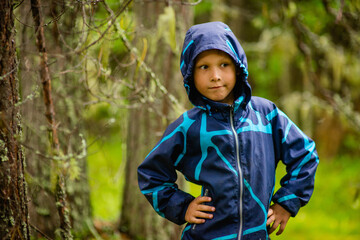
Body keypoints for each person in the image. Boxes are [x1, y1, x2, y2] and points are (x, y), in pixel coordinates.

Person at [137, 21, 319, 240]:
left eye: (224, 64)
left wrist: (287, 203)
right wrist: (182, 207)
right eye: (204, 67)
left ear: (238, 67)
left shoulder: (266, 115)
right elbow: (150, 174)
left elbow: (306, 154)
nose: (215, 75)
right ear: (190, 74)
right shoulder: (188, 126)